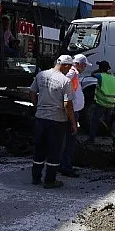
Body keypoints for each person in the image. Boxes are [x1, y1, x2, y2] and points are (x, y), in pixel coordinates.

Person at [29, 55, 77, 188]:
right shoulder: (65, 81)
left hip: (40, 118)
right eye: (69, 67)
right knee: (54, 150)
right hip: (57, 120)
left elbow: (32, 93)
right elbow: (67, 104)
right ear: (65, 65)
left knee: (39, 148)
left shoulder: (41, 75)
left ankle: (36, 177)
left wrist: (36, 106)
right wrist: (73, 122)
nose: (69, 70)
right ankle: (50, 181)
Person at [58, 53, 90, 177]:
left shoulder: (73, 74)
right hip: (71, 112)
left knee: (68, 140)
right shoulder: (72, 73)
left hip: (73, 111)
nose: (85, 68)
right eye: (84, 65)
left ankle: (64, 165)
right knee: (69, 141)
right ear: (79, 64)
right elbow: (63, 87)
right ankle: (65, 167)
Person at [85, 60, 115, 143]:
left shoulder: (100, 76)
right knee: (110, 123)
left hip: (101, 103)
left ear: (100, 68)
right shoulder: (113, 78)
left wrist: (98, 70)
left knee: (95, 121)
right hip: (111, 104)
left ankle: (91, 139)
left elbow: (92, 74)